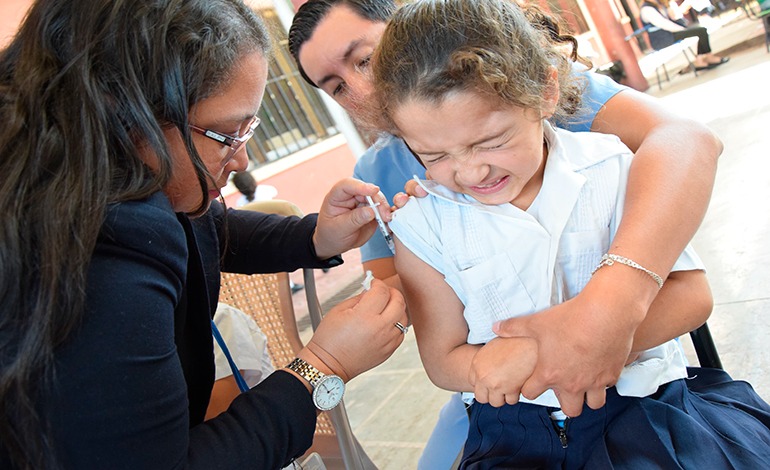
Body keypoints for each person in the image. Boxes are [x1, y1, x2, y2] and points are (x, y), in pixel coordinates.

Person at [288, 0, 723, 467]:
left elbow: (686, 144)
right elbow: (431, 333)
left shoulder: (603, 156)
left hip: (641, 400)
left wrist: (588, 328)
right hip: (510, 410)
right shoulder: (398, 194)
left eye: (364, 60)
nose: (363, 88)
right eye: (336, 86)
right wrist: (424, 247)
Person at [0, 0, 409, 468]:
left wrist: (315, 237)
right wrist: (321, 367)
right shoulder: (97, 266)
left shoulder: (114, 180)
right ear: (127, 115)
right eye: (226, 135)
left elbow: (207, 225)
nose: (242, 160)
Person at [639, 0, 729, 70]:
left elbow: (674, 17)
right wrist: (682, 30)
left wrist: (669, 6)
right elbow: (664, 24)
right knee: (701, 31)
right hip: (663, 38)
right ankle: (706, 58)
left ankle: (701, 59)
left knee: (701, 31)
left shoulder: (658, 5)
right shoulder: (647, 9)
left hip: (670, 33)